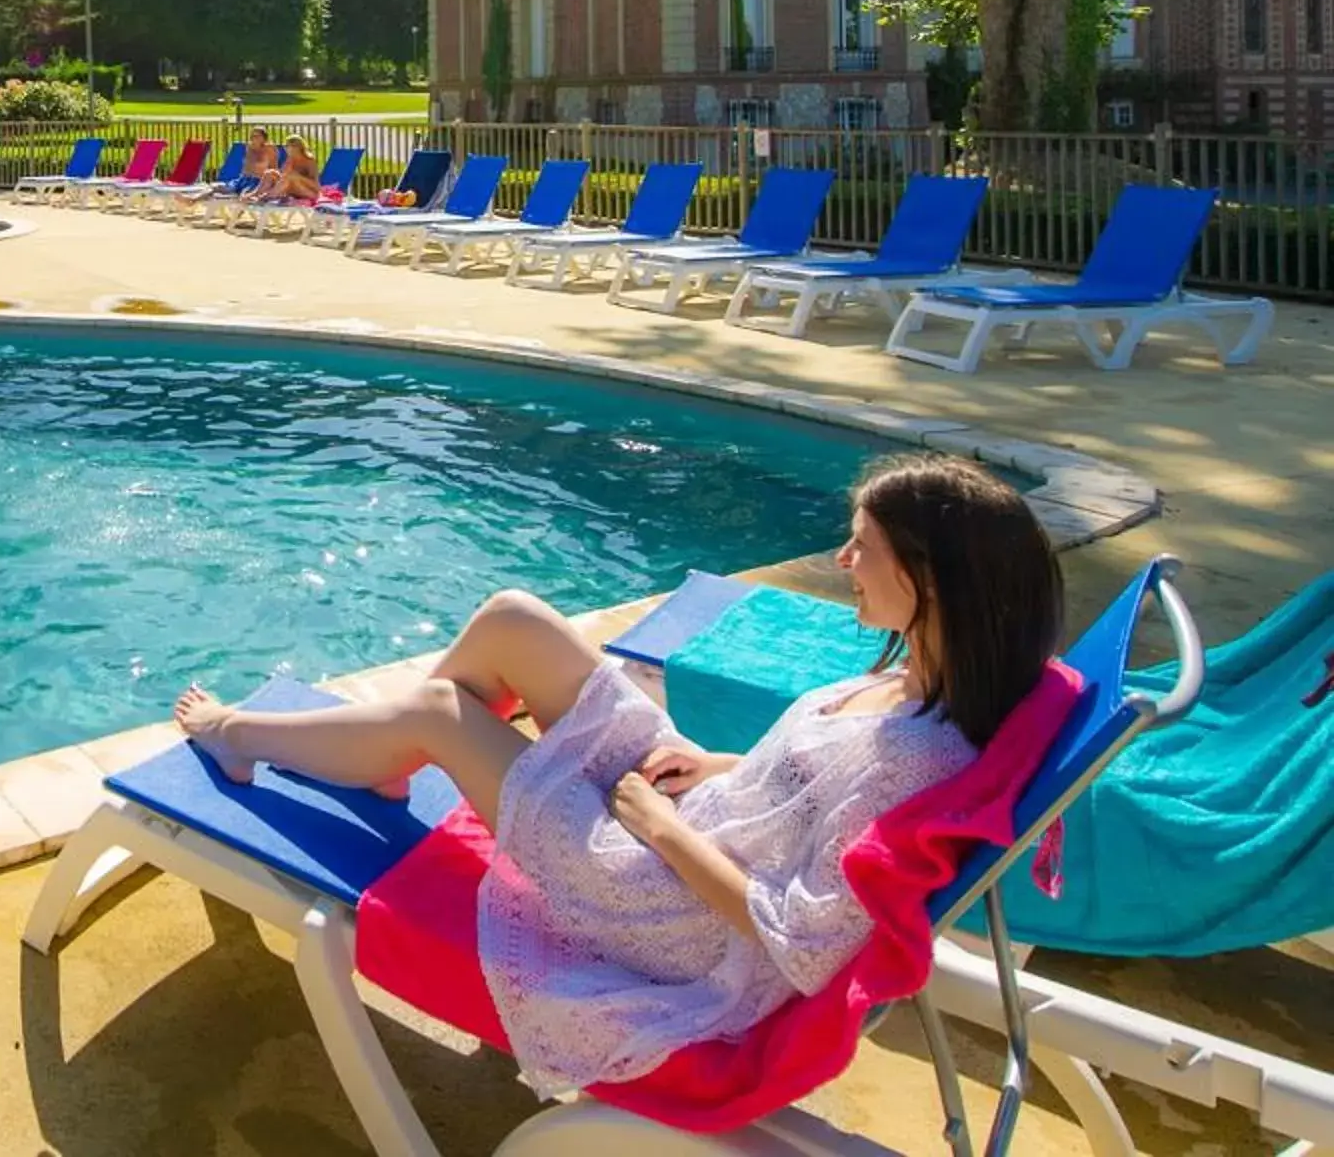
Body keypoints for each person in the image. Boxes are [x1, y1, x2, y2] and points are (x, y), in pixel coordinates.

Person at [170, 456, 1060, 1097]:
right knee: (512, 618)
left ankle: (240, 736)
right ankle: (389, 764)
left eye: (861, 546)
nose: (842, 560)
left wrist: (657, 824)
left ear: (931, 580)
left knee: (442, 714)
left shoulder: (913, 757)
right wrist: (714, 765)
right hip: (686, 812)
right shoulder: (916, 678)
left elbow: (802, 937)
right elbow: (809, 788)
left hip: (660, 900)